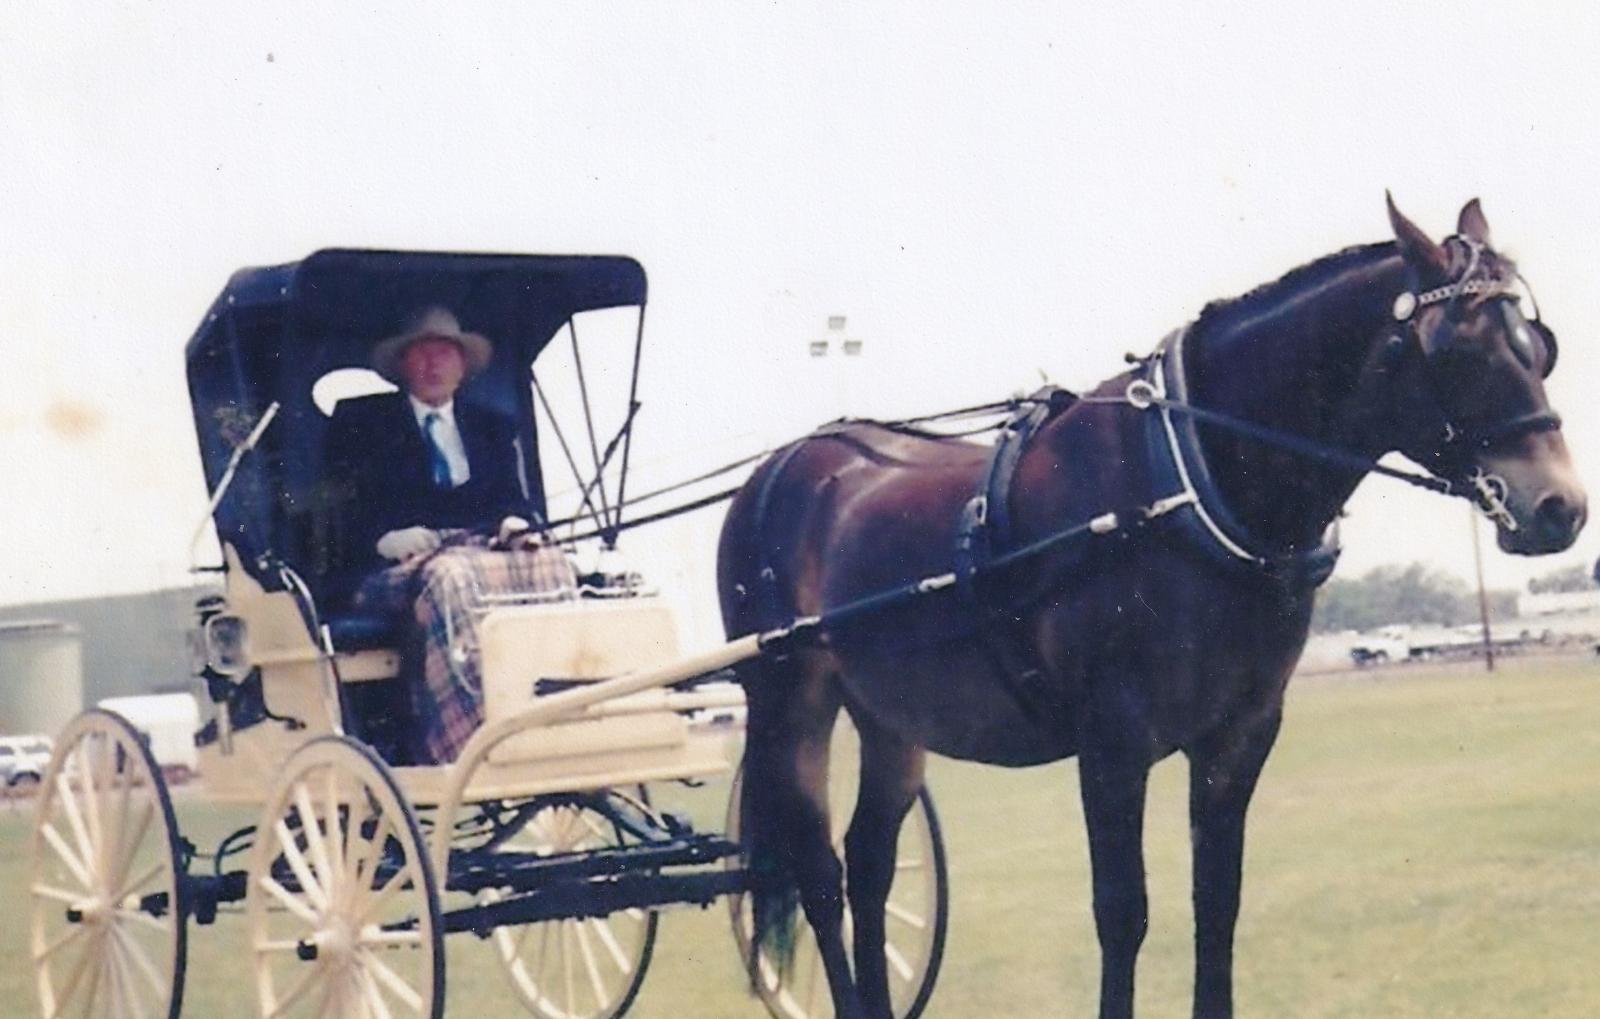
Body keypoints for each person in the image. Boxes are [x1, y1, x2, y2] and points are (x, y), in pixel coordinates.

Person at [323, 306, 575, 763]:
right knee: (452, 580)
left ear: (462, 366)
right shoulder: (363, 427)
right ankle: (465, 734)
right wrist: (386, 539)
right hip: (396, 566)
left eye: (444, 354)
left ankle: (558, 712)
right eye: (422, 354)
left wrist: (514, 524)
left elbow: (512, 502)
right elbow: (344, 513)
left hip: (479, 550)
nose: (433, 365)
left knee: (554, 563)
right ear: (403, 366)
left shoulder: (491, 428)